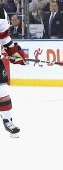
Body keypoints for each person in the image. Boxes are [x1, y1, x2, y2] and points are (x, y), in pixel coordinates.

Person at [0, 8, 26, 138]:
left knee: (2, 90)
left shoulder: (1, 12)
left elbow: (3, 36)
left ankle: (7, 120)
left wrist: (13, 51)